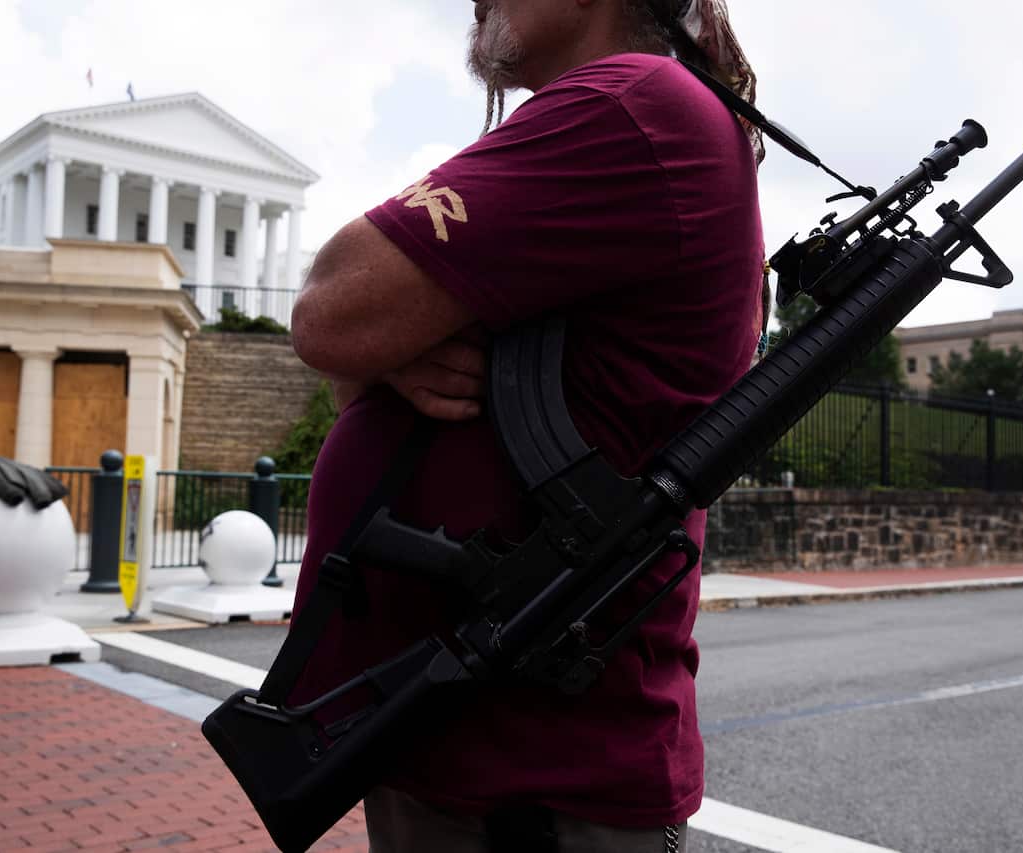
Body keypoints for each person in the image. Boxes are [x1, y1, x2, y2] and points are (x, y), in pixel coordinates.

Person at [289, 1, 765, 850]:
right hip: (466, 737)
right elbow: (352, 346)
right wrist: (383, 354)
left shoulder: (629, 102)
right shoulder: (635, 107)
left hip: (535, 773)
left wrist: (374, 342)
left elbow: (327, 307)